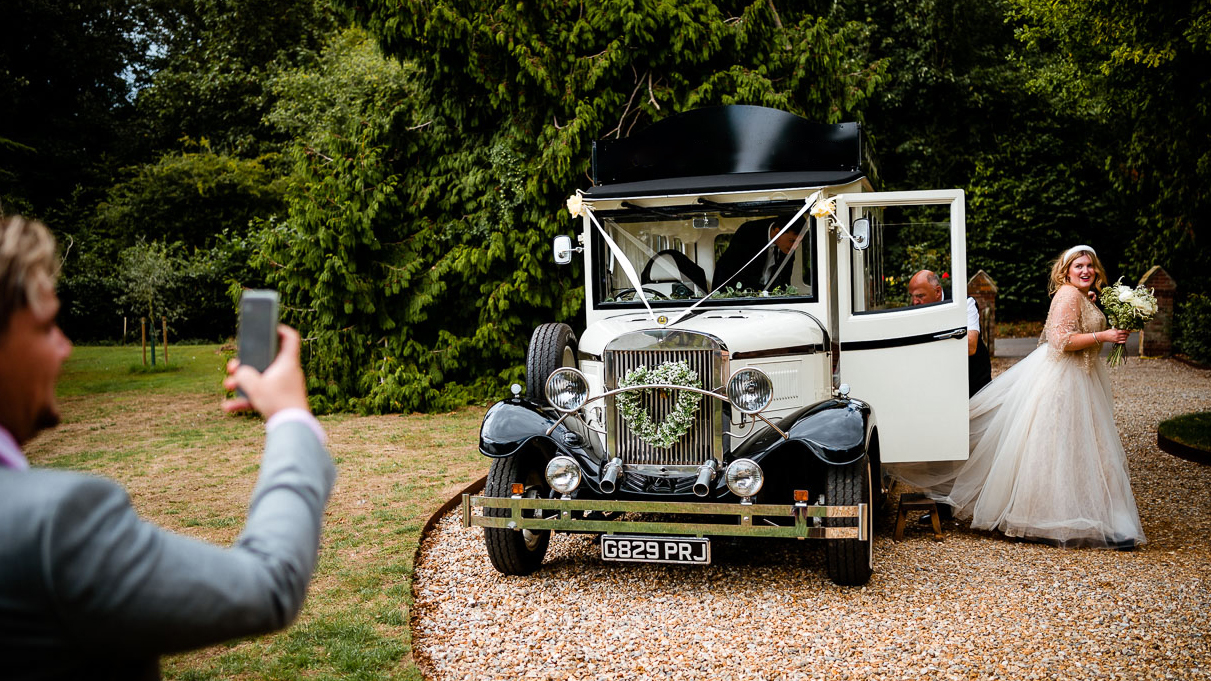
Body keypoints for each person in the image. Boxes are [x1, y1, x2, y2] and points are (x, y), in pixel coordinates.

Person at [0, 215, 337, 679]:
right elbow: (268, 584)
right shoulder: (55, 523)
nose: (65, 348)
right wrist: (291, 419)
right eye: (45, 327)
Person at [893, 245, 1145, 549]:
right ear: (1066, 271)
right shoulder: (1067, 294)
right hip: (1064, 381)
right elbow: (1060, 340)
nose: (1085, 271)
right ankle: (1054, 517)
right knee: (1059, 449)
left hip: (1082, 378)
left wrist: (1091, 307)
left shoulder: (1079, 295)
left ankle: (1093, 515)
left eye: (1090, 266)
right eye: (1078, 266)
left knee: (1083, 448)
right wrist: (1104, 336)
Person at [907, 269, 993, 396]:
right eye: (912, 296)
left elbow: (970, 346)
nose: (915, 302)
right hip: (939, 382)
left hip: (974, 380)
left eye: (920, 296)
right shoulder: (913, 311)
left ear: (937, 291)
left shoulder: (964, 304)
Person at [712, 216, 803, 292]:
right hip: (737, 292)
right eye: (792, 241)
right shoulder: (748, 232)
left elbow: (785, 279)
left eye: (798, 242)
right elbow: (732, 270)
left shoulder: (788, 247)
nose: (795, 247)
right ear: (777, 231)